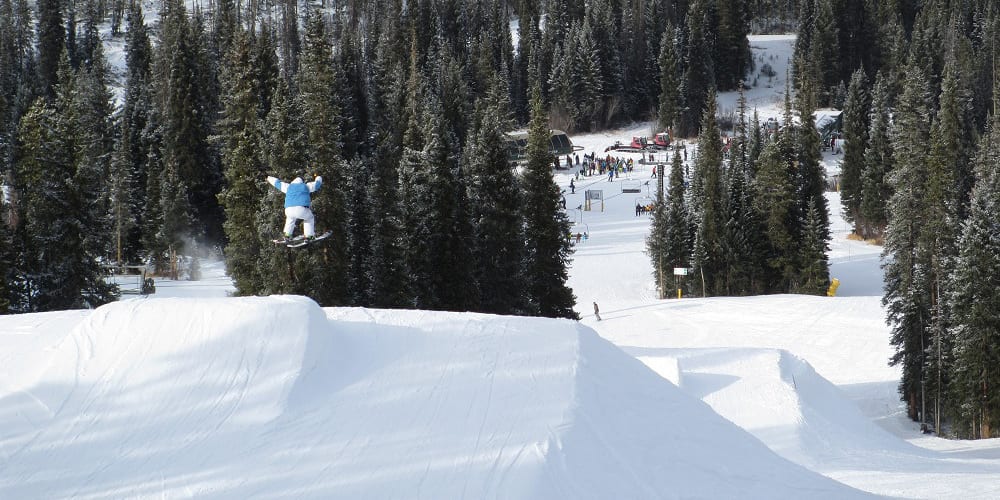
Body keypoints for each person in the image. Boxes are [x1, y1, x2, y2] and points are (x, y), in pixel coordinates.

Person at [266, 172, 323, 241]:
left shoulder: (288, 187)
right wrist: (318, 177)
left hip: (288, 209)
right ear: (301, 182)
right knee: (309, 218)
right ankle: (309, 236)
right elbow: (317, 185)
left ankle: (287, 235)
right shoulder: (306, 186)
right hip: (301, 208)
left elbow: (277, 183)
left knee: (290, 219)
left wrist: (269, 178)